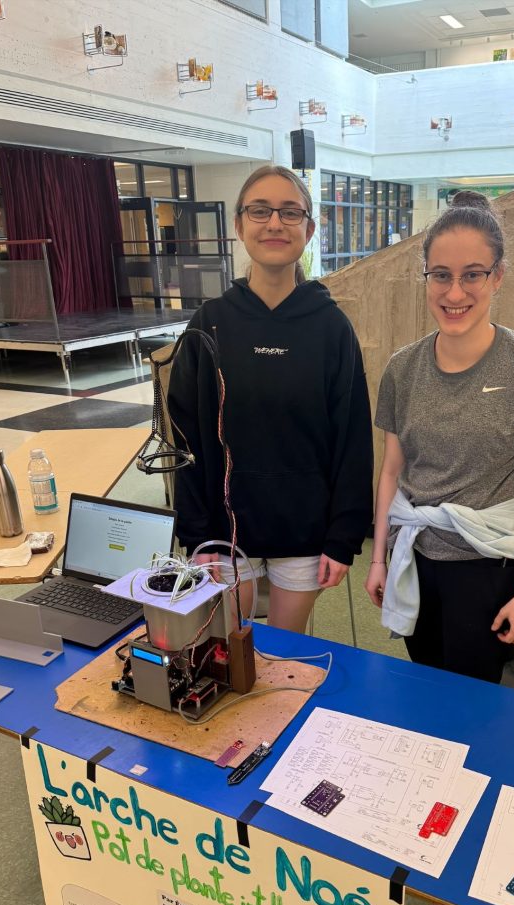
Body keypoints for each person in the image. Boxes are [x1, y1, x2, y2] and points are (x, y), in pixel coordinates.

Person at [364, 191, 514, 684]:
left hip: (486, 567)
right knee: (426, 685)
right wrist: (378, 558)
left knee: (476, 701)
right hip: (414, 556)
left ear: (497, 276)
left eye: (472, 274)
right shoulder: (402, 368)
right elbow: (392, 471)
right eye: (441, 275)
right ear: (427, 277)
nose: (454, 293)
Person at [168, 165, 373, 634]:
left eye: (289, 212)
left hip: (304, 529)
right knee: (230, 654)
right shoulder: (210, 322)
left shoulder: (330, 327)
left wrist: (343, 538)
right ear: (239, 225)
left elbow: (352, 440)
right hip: (225, 532)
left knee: (284, 659)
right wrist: (198, 535)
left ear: (310, 228)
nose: (275, 223)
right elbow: (185, 438)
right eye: (260, 211)